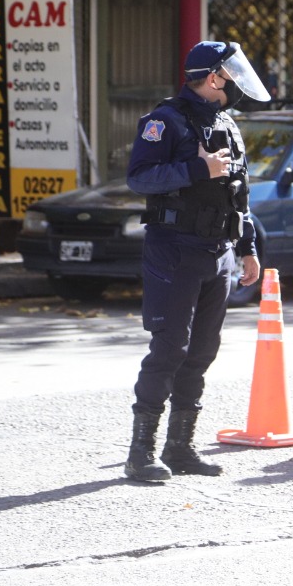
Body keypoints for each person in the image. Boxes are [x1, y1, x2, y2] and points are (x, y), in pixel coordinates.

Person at [123, 40, 271, 482]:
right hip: (175, 250)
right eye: (230, 76)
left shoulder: (226, 122)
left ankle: (180, 448)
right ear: (212, 79)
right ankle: (140, 453)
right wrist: (195, 171)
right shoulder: (163, 122)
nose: (236, 85)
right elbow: (139, 177)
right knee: (170, 348)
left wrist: (246, 247)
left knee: (202, 351)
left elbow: (238, 194)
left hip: (219, 253)